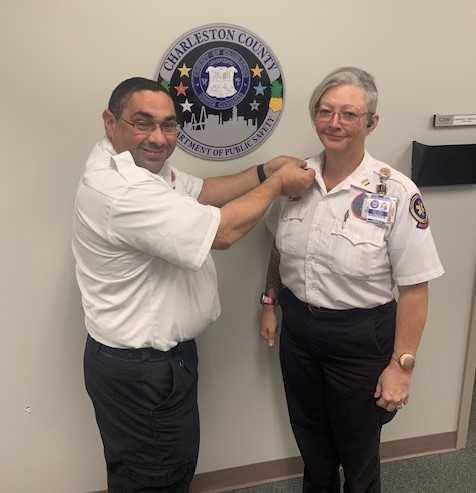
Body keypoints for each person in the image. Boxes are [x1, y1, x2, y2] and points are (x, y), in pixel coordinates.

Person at [72, 76, 315, 493]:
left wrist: (264, 170)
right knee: (159, 476)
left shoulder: (136, 167)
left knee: (146, 470)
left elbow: (201, 192)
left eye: (168, 125)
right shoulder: (122, 190)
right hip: (142, 370)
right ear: (111, 122)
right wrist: (276, 185)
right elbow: (223, 232)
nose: (158, 137)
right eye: (143, 123)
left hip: (145, 364)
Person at [259, 67, 444, 493]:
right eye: (325, 111)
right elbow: (278, 248)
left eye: (348, 114)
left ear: (371, 122)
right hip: (299, 330)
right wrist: (269, 302)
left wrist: (401, 366)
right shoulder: (295, 179)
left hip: (360, 337)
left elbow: (415, 287)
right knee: (311, 442)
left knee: (358, 452)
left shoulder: (395, 192)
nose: (334, 122)